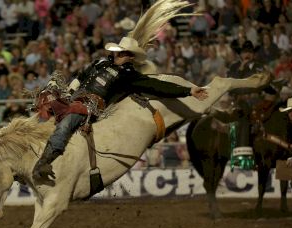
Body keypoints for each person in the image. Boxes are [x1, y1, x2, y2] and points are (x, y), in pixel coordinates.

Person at [32, 36, 208, 182]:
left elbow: (157, 85)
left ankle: (44, 163)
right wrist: (69, 92)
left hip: (89, 107)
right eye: (119, 51)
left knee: (67, 123)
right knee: (43, 107)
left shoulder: (129, 75)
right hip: (74, 98)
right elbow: (81, 77)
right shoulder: (100, 63)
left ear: (130, 57)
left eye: (124, 53)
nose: (119, 54)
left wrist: (188, 91)